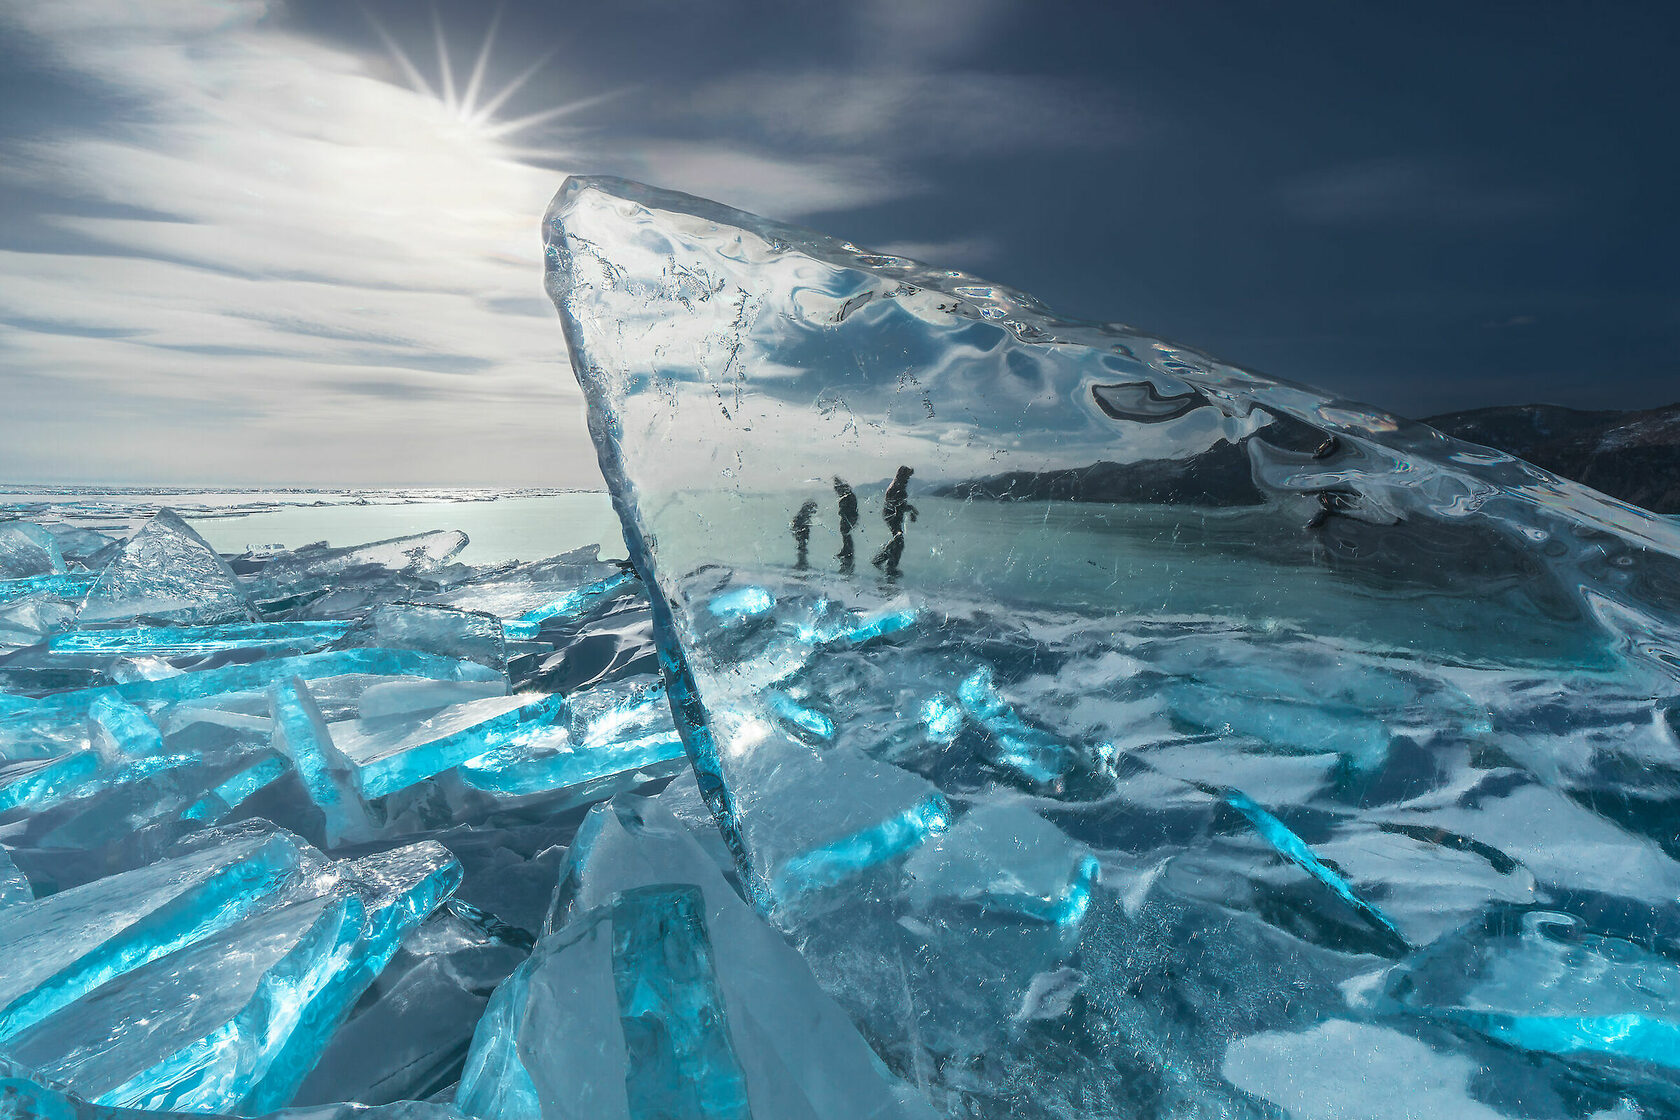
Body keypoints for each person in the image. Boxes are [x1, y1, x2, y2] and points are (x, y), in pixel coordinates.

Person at [871, 465, 918, 577]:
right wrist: (911, 510)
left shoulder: (898, 486)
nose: (908, 479)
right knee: (899, 542)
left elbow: (900, 505)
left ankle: (881, 560)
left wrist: (910, 510)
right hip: (892, 517)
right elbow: (898, 505)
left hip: (892, 516)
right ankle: (890, 567)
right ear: (902, 476)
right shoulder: (896, 487)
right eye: (907, 476)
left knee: (897, 541)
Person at [833, 477, 859, 573]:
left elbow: (849, 507)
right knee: (845, 533)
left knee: (846, 533)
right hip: (848, 517)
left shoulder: (847, 496)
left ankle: (848, 551)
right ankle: (846, 550)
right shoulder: (847, 495)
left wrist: (844, 513)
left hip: (849, 517)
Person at [792, 500, 818, 569]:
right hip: (802, 534)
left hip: (803, 534)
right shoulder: (802, 516)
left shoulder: (803, 515)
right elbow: (797, 525)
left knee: (802, 548)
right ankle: (801, 563)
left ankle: (802, 562)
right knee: (802, 548)